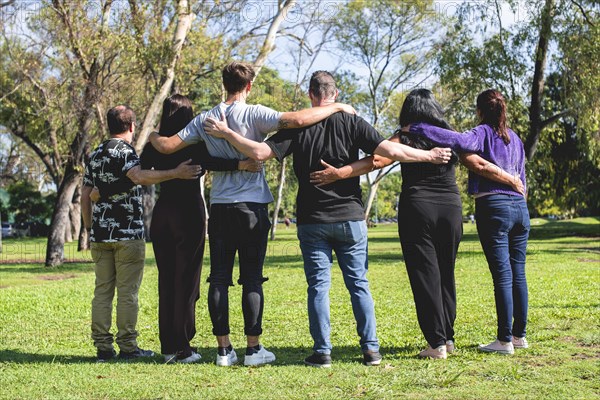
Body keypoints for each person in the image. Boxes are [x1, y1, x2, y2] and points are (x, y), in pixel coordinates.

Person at [203, 71, 452, 367]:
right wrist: (430, 156)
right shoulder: (352, 121)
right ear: (335, 94)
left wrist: (225, 132)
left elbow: (258, 151)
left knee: (318, 287)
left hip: (312, 221)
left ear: (311, 95)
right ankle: (371, 350)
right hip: (351, 218)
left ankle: (322, 352)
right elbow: (388, 151)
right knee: (359, 283)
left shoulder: (298, 128)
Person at [149, 62, 357, 367]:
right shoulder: (256, 113)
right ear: (249, 86)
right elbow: (298, 119)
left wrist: (153, 135)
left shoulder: (206, 118)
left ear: (224, 84)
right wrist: (337, 105)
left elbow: (166, 146)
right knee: (251, 280)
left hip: (220, 208)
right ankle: (253, 349)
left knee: (218, 277)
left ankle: (223, 351)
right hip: (252, 208)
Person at [309, 89, 524, 360]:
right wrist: (510, 178)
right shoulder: (451, 135)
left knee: (425, 275)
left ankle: (436, 345)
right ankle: (447, 337)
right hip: (451, 209)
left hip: (418, 208)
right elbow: (475, 161)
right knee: (446, 272)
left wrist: (340, 173)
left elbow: (377, 159)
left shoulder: (406, 135)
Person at [91, 95, 262, 364]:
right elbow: (215, 161)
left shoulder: (154, 144)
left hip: (162, 215)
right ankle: (184, 348)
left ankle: (169, 345)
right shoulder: (197, 141)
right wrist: (242, 163)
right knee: (187, 282)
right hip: (188, 214)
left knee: (167, 281)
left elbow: (137, 175)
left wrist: (102, 192)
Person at [408, 89, 530, 355]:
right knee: (518, 272)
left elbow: (457, 140)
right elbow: (522, 175)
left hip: (495, 206)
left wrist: (418, 127)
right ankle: (519, 335)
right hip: (521, 208)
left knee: (503, 276)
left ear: (479, 111)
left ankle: (504, 340)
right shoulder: (516, 139)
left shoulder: (482, 132)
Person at [81, 105, 202, 362]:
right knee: (127, 292)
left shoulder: (95, 154)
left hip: (100, 235)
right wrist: (174, 173)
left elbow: (85, 195)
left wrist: (90, 227)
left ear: (108, 125)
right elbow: (138, 177)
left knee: (102, 291)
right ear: (132, 126)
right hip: (127, 233)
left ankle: (103, 347)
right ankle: (127, 346)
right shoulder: (126, 152)